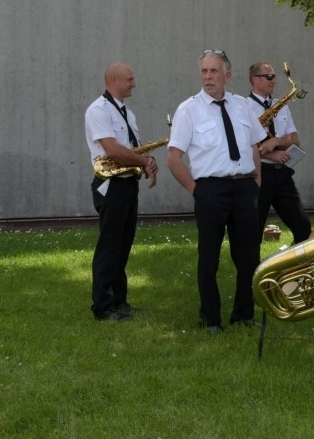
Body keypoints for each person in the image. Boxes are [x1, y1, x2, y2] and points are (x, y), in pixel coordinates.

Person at [167, 50, 266, 334]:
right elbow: (174, 158)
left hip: (245, 188)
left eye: (213, 71)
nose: (208, 77)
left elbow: (254, 146)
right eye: (204, 72)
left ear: (227, 75)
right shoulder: (189, 109)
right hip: (210, 189)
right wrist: (196, 190)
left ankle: (244, 313)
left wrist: (256, 180)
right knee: (208, 257)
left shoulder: (243, 106)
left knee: (248, 255)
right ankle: (210, 318)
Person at [85, 61, 158, 321]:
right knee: (109, 245)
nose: (134, 83)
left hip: (127, 183)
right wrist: (143, 161)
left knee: (123, 244)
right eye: (130, 79)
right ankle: (102, 308)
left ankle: (119, 300)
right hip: (111, 185)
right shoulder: (98, 110)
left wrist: (147, 161)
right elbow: (113, 150)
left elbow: (131, 150)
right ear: (114, 80)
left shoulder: (127, 112)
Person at [245, 62, 311, 245]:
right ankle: (254, 272)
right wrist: (270, 155)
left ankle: (291, 268)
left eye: (274, 76)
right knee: (253, 231)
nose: (274, 81)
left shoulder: (280, 106)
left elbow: (295, 139)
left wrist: (276, 142)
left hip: (282, 175)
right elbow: (243, 144)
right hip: (259, 175)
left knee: (303, 227)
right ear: (255, 79)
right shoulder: (243, 107)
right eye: (269, 76)